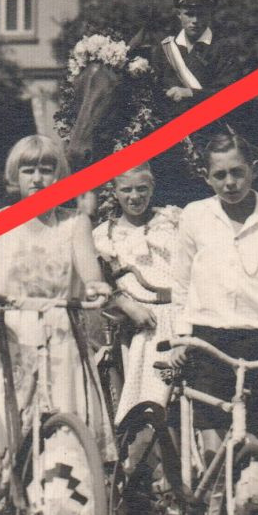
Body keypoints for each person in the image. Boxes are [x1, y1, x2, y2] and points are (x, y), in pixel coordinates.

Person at [0, 135, 113, 468]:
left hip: (62, 338)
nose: (37, 178)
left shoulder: (74, 224)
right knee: (9, 434)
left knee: (65, 431)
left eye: (46, 170)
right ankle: (8, 495)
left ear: (58, 176)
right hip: (13, 340)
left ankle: (65, 499)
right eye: (28, 170)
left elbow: (91, 275)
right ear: (14, 176)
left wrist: (95, 288)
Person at [165, 131, 258, 446]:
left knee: (256, 449)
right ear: (207, 178)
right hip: (207, 343)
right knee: (213, 449)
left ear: (254, 170)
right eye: (220, 175)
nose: (230, 182)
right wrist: (180, 339)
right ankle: (214, 495)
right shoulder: (195, 216)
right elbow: (181, 284)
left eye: (237, 172)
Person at [92, 163, 185, 419]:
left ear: (152, 188)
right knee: (150, 391)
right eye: (127, 190)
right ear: (115, 192)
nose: (135, 197)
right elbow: (99, 285)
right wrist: (125, 304)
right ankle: (145, 439)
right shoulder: (105, 235)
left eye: (142, 189)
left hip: (181, 309)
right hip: (143, 319)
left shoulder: (171, 221)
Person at [149, 0, 240, 112]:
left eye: (201, 15)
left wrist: (191, 93)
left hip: (209, 126)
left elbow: (230, 93)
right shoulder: (164, 49)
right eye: (189, 14)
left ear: (210, 15)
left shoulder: (223, 48)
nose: (195, 20)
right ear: (179, 14)